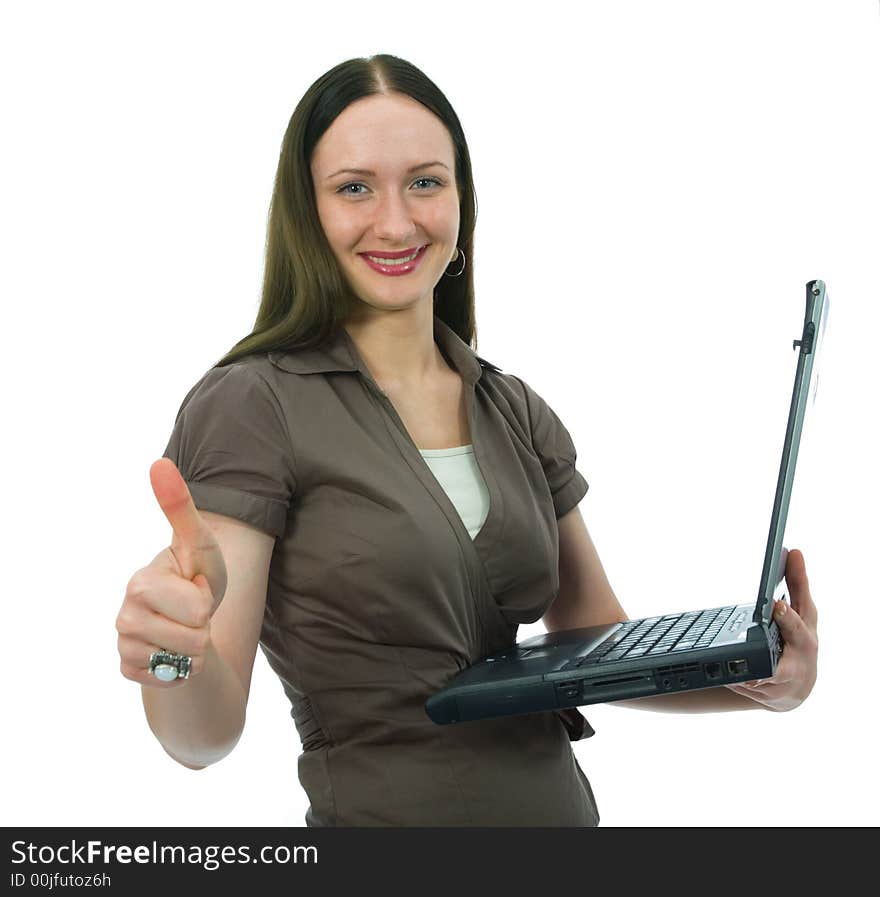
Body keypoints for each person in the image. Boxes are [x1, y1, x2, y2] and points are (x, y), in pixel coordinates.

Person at [116, 54, 819, 827]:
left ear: (461, 203)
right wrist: (171, 655)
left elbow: (602, 647)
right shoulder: (252, 405)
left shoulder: (513, 408)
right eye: (354, 187)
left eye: (425, 181)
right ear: (306, 214)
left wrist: (762, 678)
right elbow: (203, 736)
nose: (396, 220)